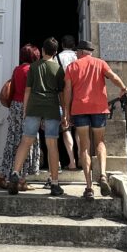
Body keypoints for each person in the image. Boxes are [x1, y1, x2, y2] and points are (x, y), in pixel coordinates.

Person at [62, 40, 127, 200]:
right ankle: (103, 176)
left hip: (79, 109)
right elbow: (113, 77)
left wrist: (66, 111)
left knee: (84, 146)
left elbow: (67, 91)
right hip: (99, 108)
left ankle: (88, 187)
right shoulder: (100, 63)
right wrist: (124, 89)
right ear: (90, 52)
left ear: (80, 52)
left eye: (76, 52)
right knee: (100, 142)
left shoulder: (72, 67)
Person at [7, 37, 65, 197]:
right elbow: (61, 93)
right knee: (52, 144)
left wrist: (25, 110)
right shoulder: (59, 70)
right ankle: (54, 183)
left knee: (26, 141)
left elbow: (27, 91)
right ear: (56, 52)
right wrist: (65, 111)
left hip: (34, 106)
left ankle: (15, 173)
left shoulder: (33, 67)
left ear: (43, 50)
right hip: (51, 107)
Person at [0, 44, 41, 190]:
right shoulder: (32, 70)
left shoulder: (17, 69)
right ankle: (21, 180)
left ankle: (2, 176)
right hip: (27, 107)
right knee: (27, 142)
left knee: (12, 141)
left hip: (15, 106)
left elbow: (13, 88)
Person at [56, 34, 78, 171]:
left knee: (65, 128)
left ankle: (72, 161)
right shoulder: (78, 57)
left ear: (62, 44)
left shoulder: (58, 57)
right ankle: (81, 159)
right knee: (79, 128)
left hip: (63, 94)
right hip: (77, 93)